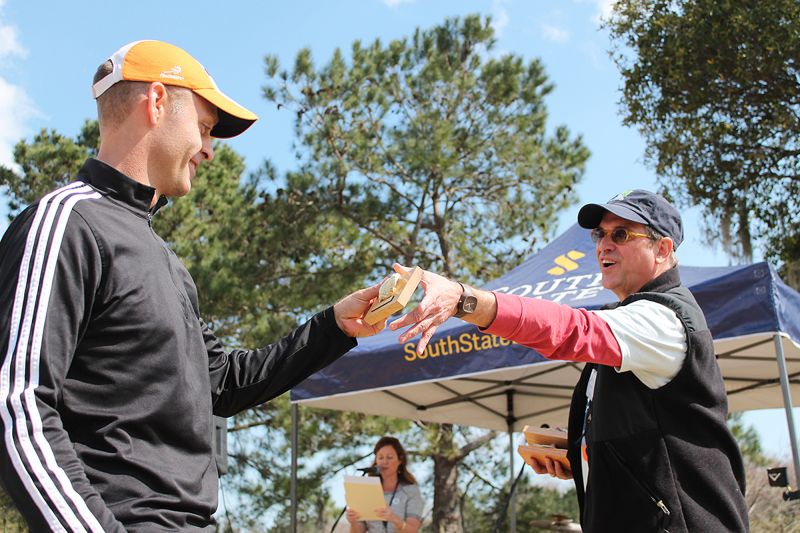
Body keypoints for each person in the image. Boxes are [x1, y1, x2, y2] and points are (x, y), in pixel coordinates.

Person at [0, 40, 386, 532]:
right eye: (204, 129)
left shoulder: (166, 261)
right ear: (157, 102)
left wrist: (333, 326)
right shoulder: (66, 224)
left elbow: (221, 384)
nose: (208, 150)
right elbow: (18, 403)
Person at [390, 190, 749, 532]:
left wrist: (463, 301)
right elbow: (650, 444)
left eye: (621, 233)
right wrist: (583, 450)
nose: (604, 245)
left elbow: (570, 329)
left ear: (663, 248)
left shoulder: (662, 318)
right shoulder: (634, 319)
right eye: (599, 234)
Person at [346, 436, 423, 533]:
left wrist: (394, 519)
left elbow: (413, 530)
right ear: (376, 461)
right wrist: (353, 522)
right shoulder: (367, 490)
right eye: (380, 457)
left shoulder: (411, 490)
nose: (384, 462)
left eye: (389, 457)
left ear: (400, 460)